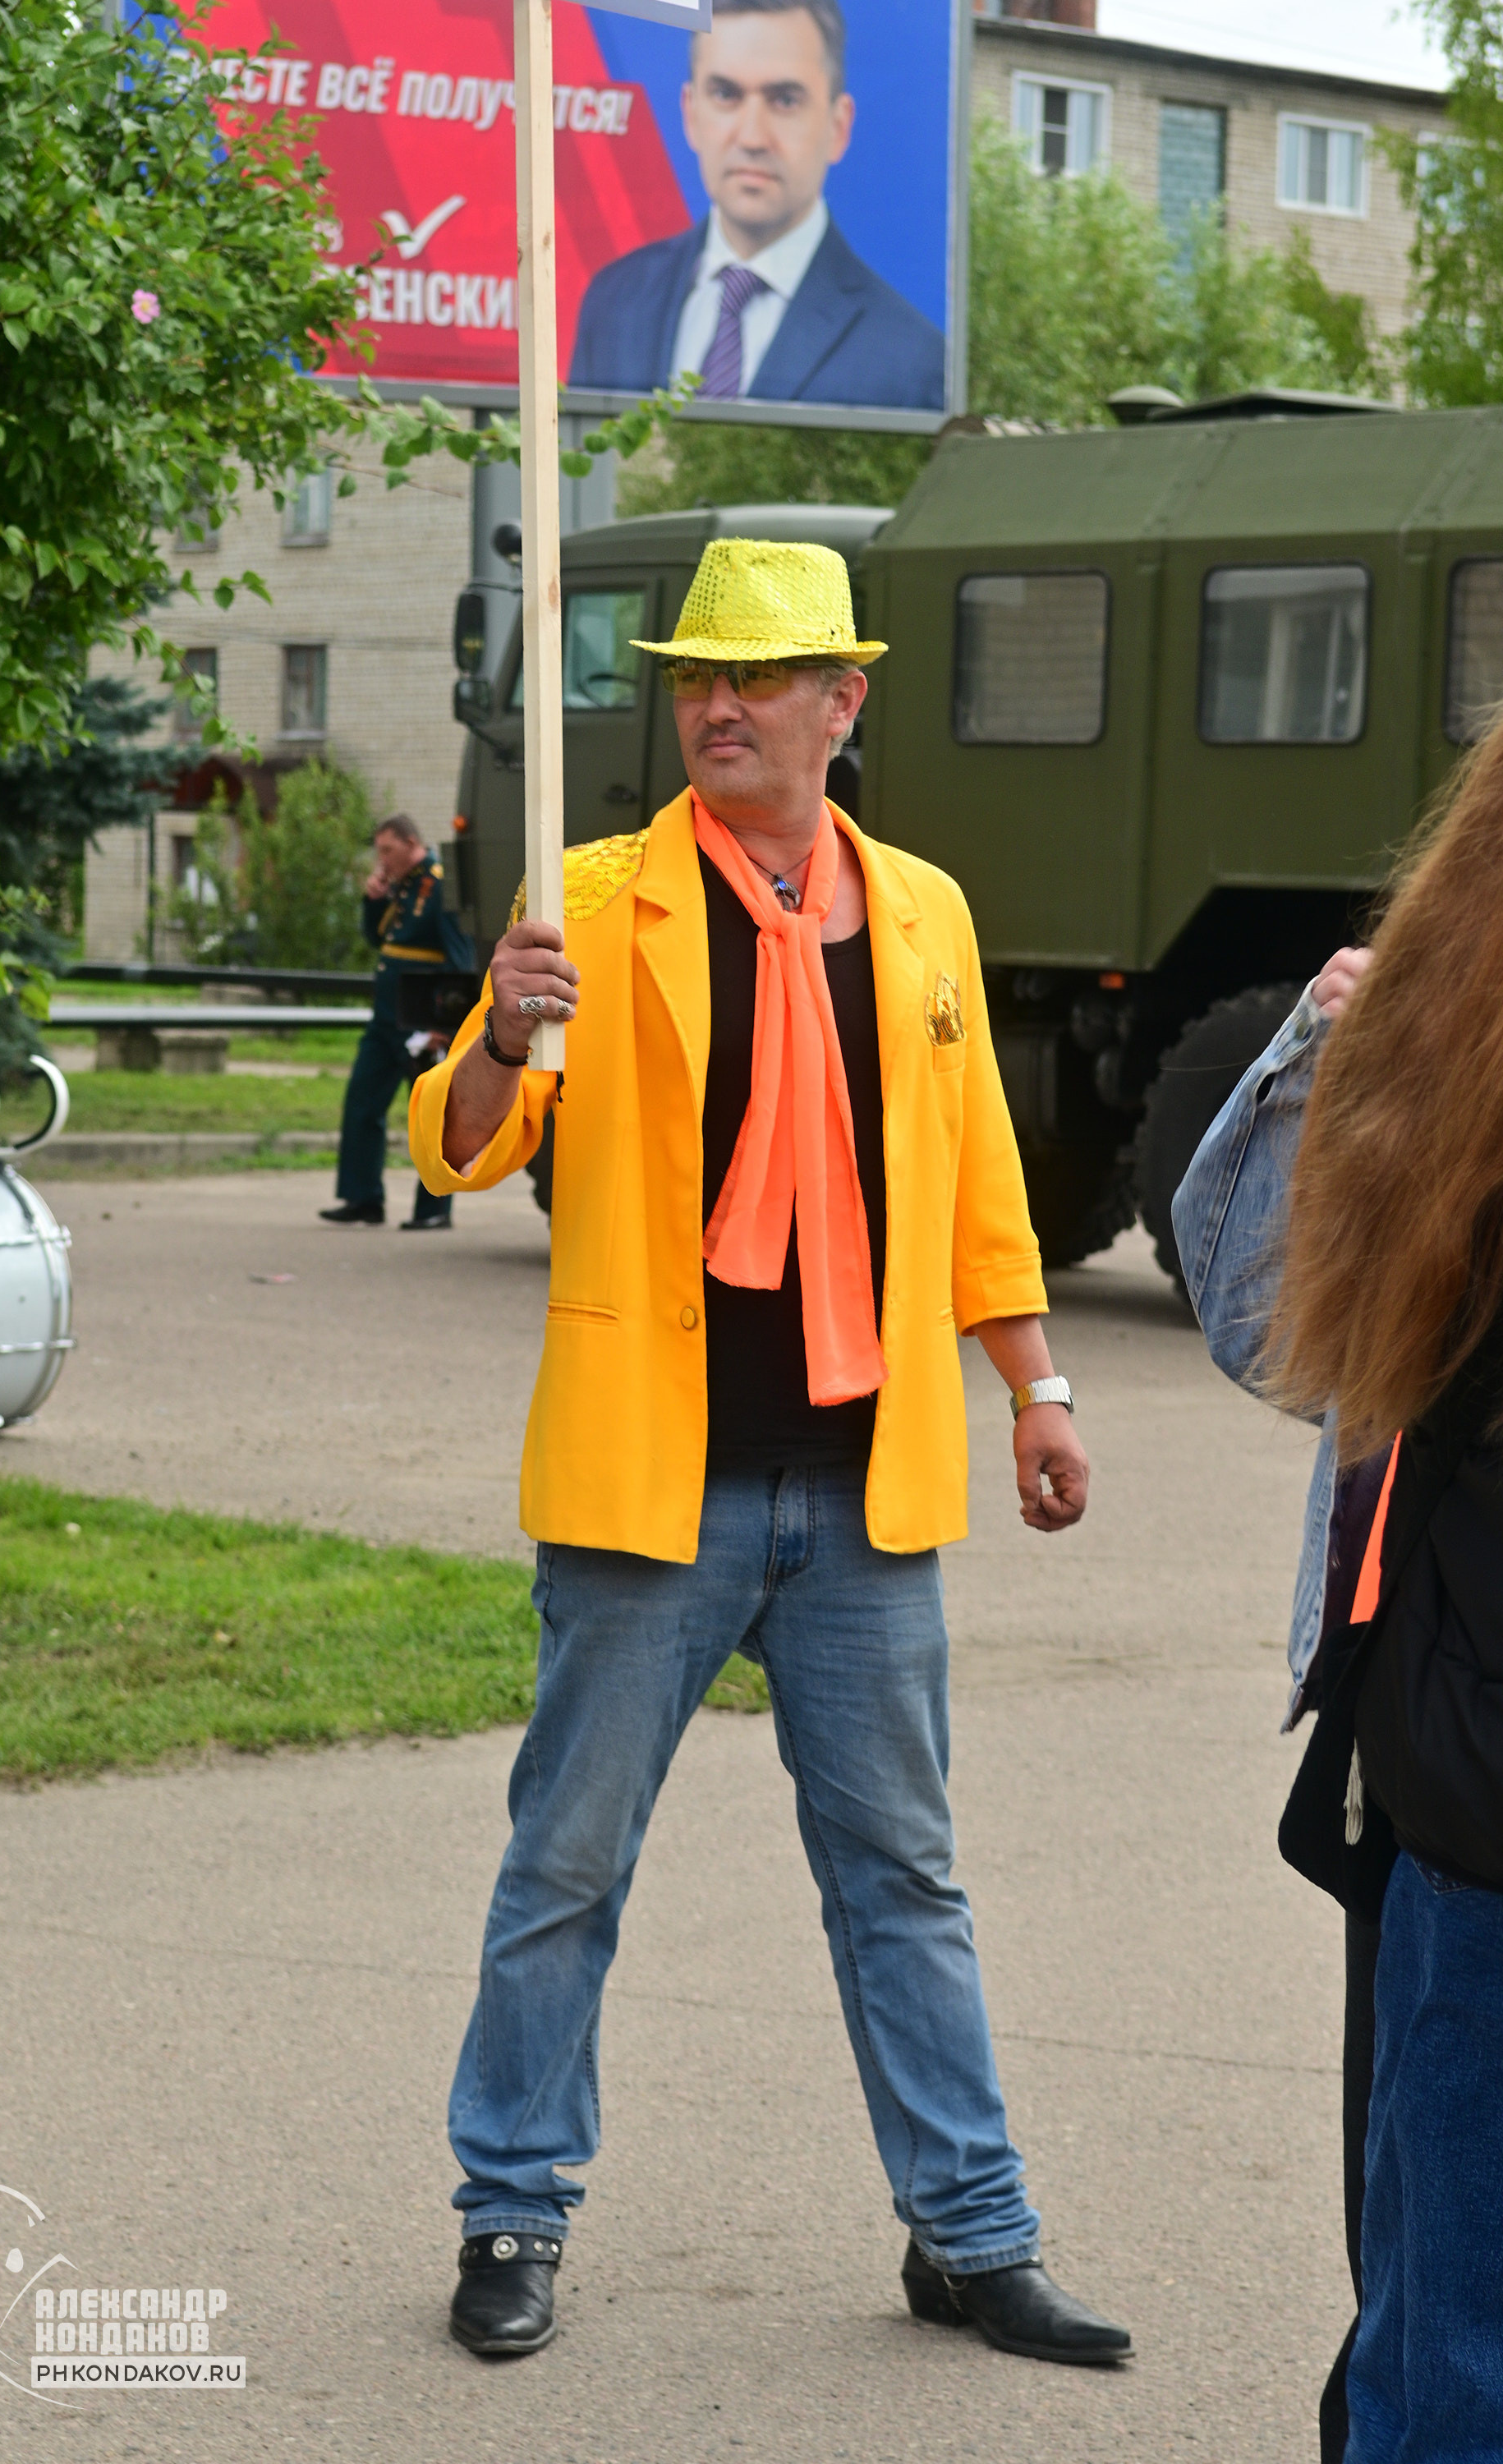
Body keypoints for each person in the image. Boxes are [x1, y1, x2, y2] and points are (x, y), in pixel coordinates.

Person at [409, 537, 1130, 2367]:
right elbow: (463, 1146)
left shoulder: (924, 911)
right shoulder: (589, 896)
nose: (717, 707)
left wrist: (1037, 1385)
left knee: (906, 1882)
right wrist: (500, 1033)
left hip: (864, 1491)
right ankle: (510, 2213)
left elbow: (976, 1174)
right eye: (695, 679)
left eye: (756, 676)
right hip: (653, 1487)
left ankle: (971, 2239)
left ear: (841, 700)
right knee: (567, 1870)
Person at [1172, 945, 1379, 2464]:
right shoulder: (1448, 1122)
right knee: (1424, 2239)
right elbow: (1257, 1314)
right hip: (1438, 1764)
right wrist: (1315, 1049)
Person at [568, 0, 945, 411]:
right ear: (691, 114)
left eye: (785, 100)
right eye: (725, 94)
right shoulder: (614, 301)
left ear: (838, 127)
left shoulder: (913, 359)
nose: (751, 138)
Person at [320, 815, 474, 1232]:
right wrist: (373, 901)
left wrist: (446, 1024)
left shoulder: (439, 883)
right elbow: (380, 939)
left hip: (422, 1020)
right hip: (386, 1017)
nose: (382, 859)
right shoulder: (401, 886)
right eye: (379, 851)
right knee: (363, 1102)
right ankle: (363, 1199)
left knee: (430, 1115)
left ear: (411, 843)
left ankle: (433, 1209)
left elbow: (460, 957)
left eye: (388, 850)